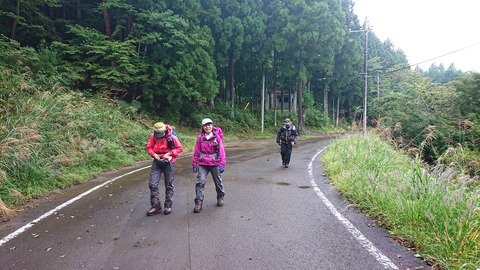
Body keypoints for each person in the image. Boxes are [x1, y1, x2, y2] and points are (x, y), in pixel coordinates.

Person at [145, 122, 183, 216]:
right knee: (153, 184)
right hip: (157, 161)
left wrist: (169, 153)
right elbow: (149, 147)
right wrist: (153, 154)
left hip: (168, 162)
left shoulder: (172, 137)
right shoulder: (153, 136)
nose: (158, 135)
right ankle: (155, 206)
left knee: (168, 184)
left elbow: (179, 148)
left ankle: (168, 205)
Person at [191, 118, 226, 213]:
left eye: (209, 125)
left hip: (215, 163)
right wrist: (194, 163)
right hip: (203, 164)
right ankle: (198, 202)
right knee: (200, 182)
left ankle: (220, 197)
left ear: (212, 126)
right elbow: (196, 152)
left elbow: (222, 152)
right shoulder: (200, 138)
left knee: (218, 181)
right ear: (203, 127)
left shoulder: (217, 138)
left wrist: (222, 164)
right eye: (206, 125)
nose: (208, 127)